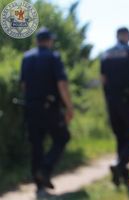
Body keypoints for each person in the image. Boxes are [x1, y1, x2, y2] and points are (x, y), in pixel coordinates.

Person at [20, 27, 73, 195]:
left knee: (37, 144)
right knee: (63, 137)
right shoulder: (53, 57)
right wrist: (69, 107)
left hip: (30, 107)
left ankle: (39, 185)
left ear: (36, 41)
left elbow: (23, 85)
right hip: (49, 107)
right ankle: (45, 169)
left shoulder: (26, 57)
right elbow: (62, 85)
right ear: (49, 41)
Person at [100, 27, 129, 186]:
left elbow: (103, 79)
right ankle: (118, 165)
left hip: (112, 100)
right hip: (127, 99)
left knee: (120, 137)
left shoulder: (105, 53)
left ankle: (121, 175)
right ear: (124, 36)